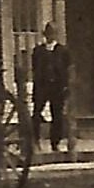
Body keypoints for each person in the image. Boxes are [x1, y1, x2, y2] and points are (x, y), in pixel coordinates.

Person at [31, 23, 73, 154]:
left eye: (53, 33)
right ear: (44, 35)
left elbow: (68, 69)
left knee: (57, 115)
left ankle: (55, 143)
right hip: (42, 86)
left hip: (57, 86)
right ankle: (35, 140)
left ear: (56, 35)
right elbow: (35, 68)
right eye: (48, 33)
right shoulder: (38, 51)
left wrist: (66, 85)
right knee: (37, 113)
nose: (50, 36)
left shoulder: (63, 51)